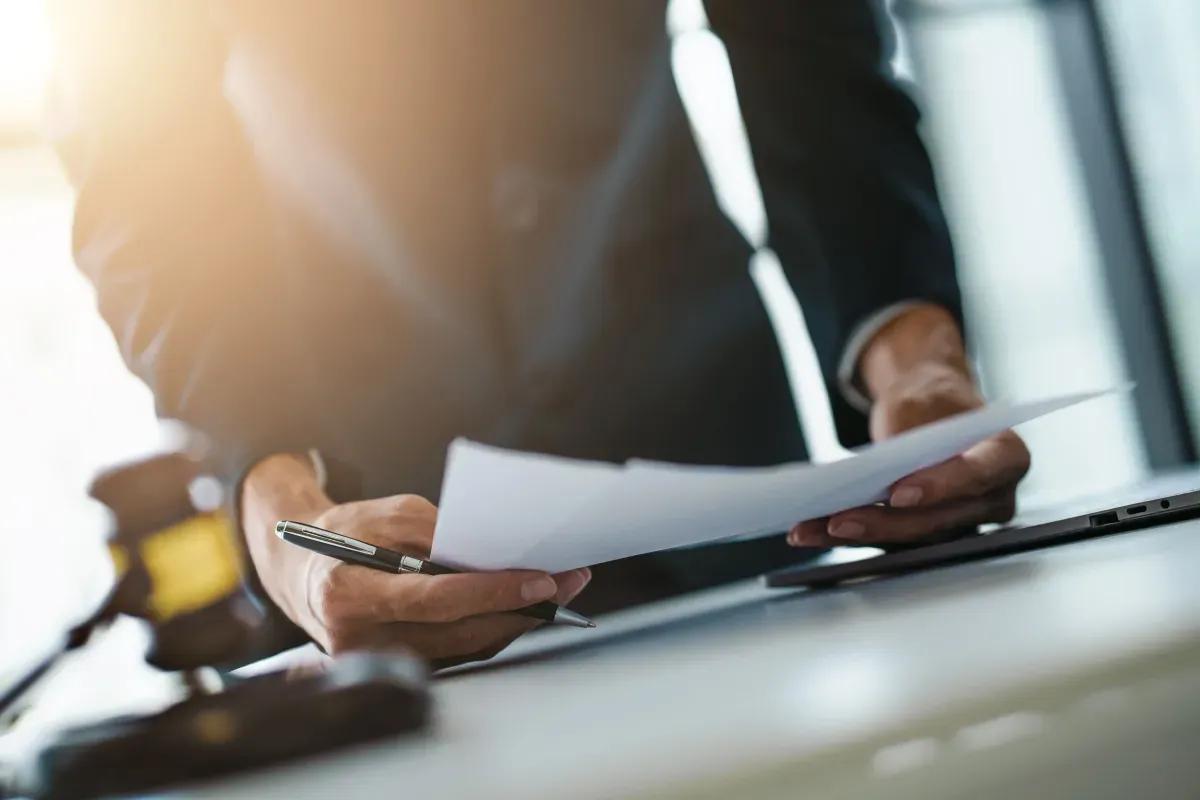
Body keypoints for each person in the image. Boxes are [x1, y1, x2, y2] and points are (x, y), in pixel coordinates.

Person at [50, 1, 1029, 666]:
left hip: (707, 451)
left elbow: (807, 44)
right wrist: (276, 503)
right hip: (370, 505)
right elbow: (142, 167)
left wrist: (917, 359)